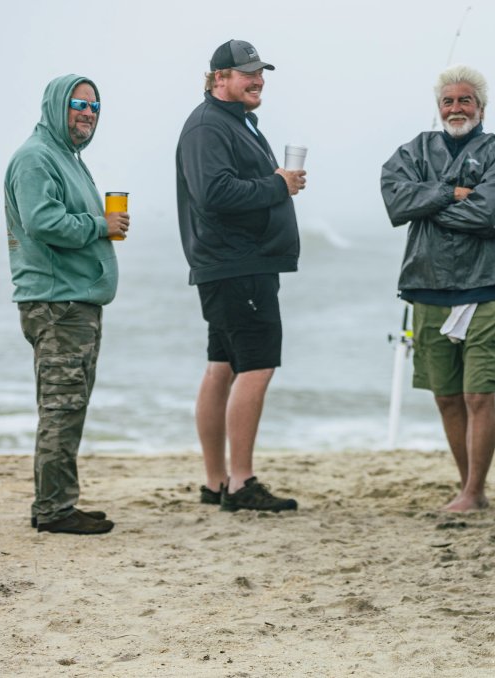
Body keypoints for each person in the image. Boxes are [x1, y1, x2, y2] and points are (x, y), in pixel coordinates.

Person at [380, 65, 495, 512]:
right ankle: (467, 486)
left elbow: (490, 215)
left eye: (465, 100)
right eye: (448, 100)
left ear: (481, 107)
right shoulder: (416, 150)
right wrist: (451, 192)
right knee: (446, 396)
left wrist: (427, 203)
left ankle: (474, 491)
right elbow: (394, 198)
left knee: (478, 393)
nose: (456, 107)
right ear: (438, 107)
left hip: (489, 285)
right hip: (427, 287)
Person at [176, 39, 306, 512]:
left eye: (260, 72)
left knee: (223, 366)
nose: (258, 79)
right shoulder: (208, 126)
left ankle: (216, 482)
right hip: (237, 264)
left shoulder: (232, 122)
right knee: (256, 366)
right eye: (247, 73)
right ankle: (240, 483)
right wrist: (277, 184)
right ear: (219, 79)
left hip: (233, 264)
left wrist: (277, 182)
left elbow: (227, 185)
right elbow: (214, 193)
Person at [4, 74, 126, 534]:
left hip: (75, 304)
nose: (88, 113)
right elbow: (42, 222)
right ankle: (54, 510)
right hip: (58, 306)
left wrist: (99, 223)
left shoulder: (66, 157)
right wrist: (100, 224)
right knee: (60, 407)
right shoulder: (36, 158)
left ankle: (57, 501)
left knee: (69, 406)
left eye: (95, 107)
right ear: (57, 104)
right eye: (79, 103)